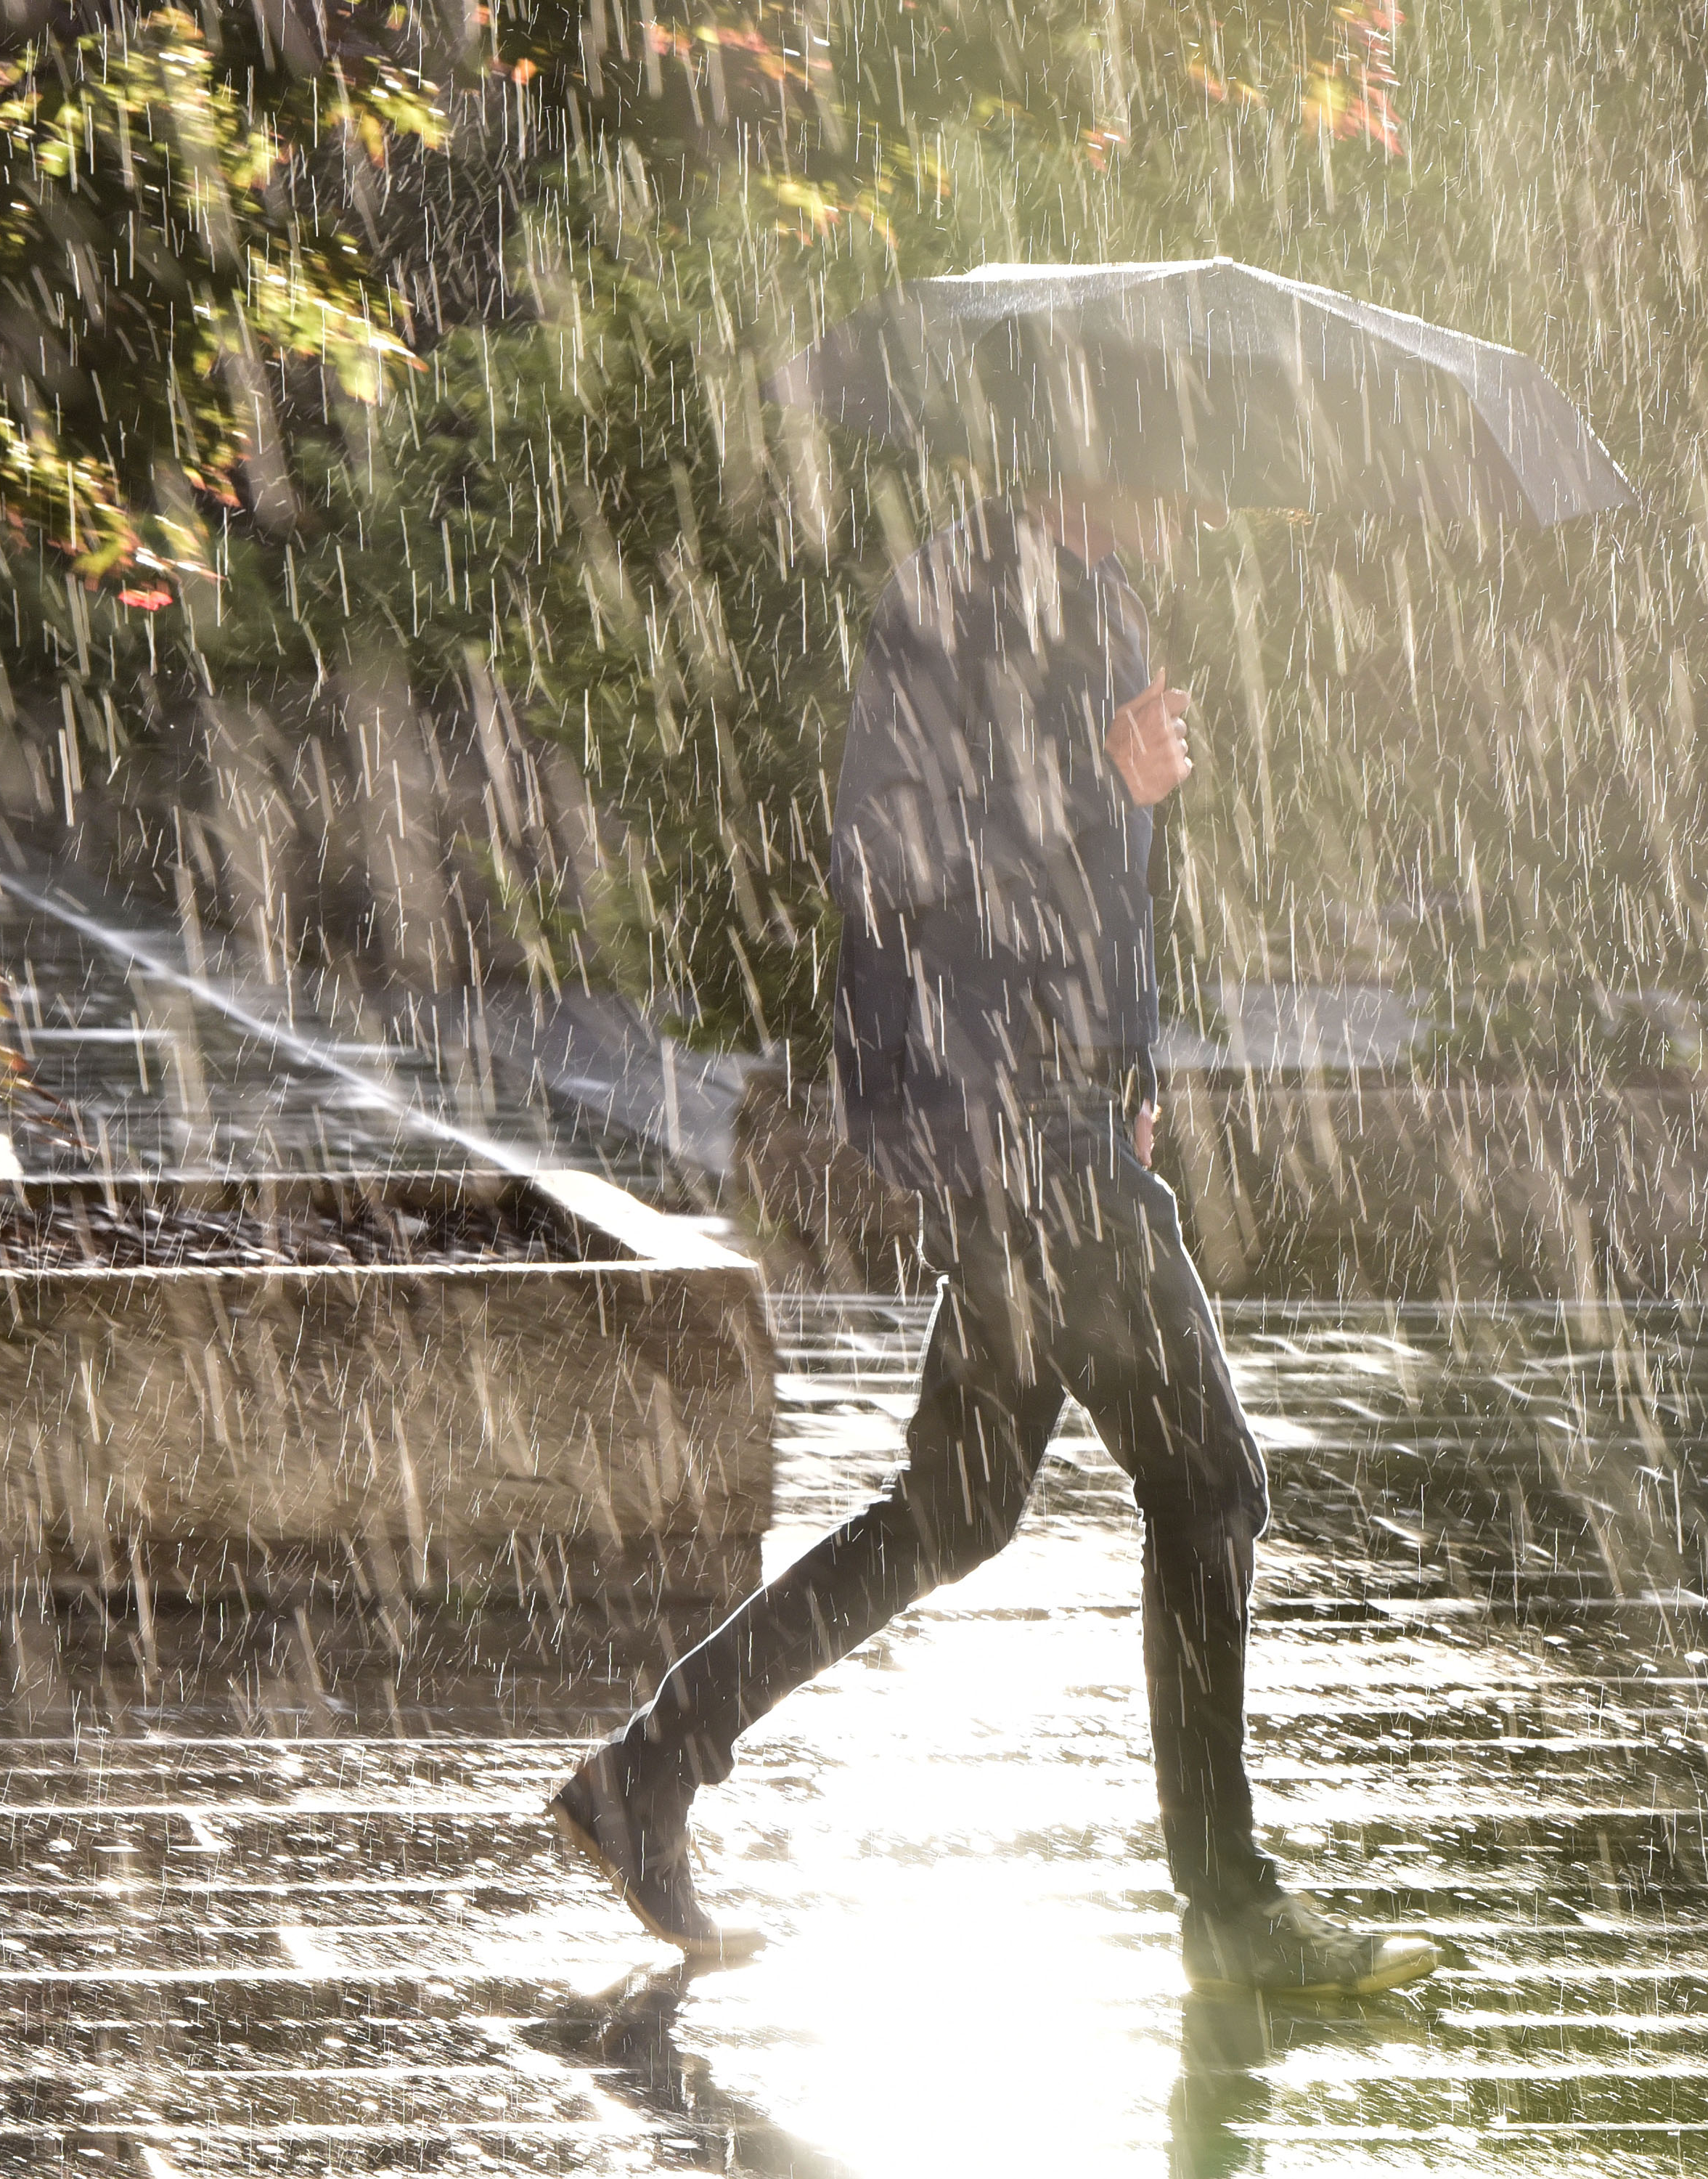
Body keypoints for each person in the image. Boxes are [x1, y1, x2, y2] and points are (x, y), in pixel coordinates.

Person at [549, 478, 1444, 1998]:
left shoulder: (1107, 608)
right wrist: (1101, 780)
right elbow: (899, 865)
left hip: (1069, 1118)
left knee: (956, 1509)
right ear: (1095, 443)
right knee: (1212, 1481)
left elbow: (1110, 902)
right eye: (1185, 460)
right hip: (999, 1127)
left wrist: (1137, 1065)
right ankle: (1229, 1910)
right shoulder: (953, 604)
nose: (1203, 497)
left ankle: (650, 1771)